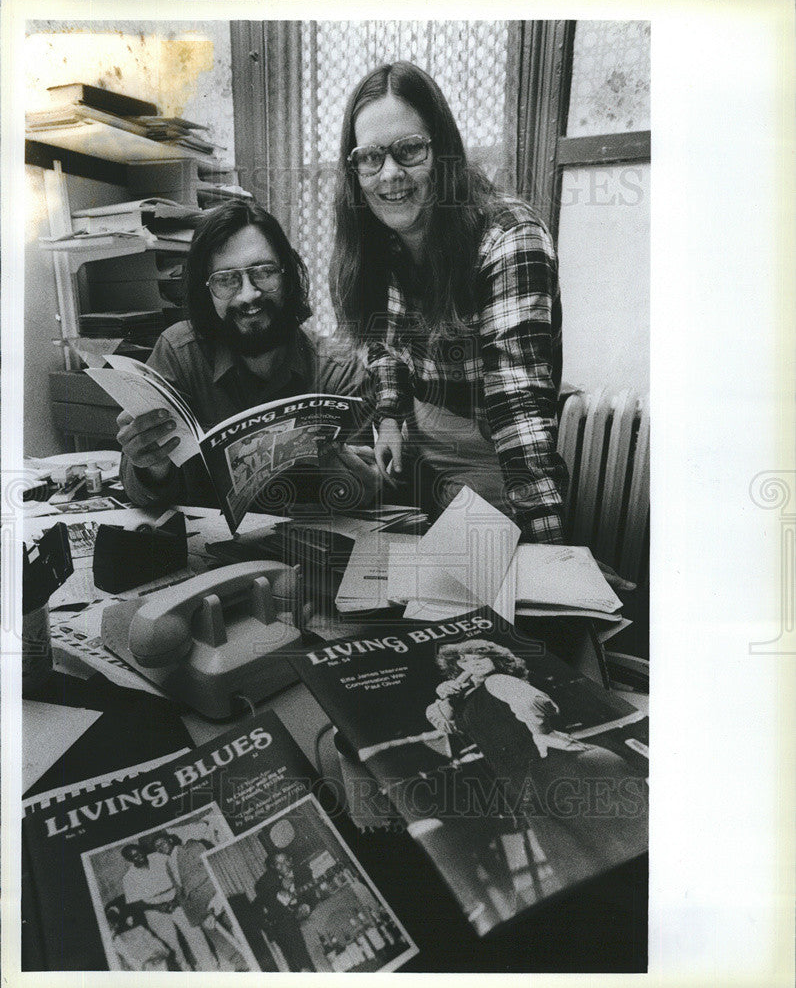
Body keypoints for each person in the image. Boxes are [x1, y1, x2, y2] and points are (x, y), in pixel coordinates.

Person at [329, 61, 569, 542]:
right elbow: (384, 344)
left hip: (489, 460)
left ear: (444, 152)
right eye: (370, 157)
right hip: (414, 459)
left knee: (491, 597)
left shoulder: (509, 238)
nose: (389, 174)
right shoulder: (381, 237)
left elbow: (519, 414)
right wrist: (392, 416)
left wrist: (551, 552)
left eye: (409, 150)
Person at [118, 198, 378, 513]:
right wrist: (151, 465)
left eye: (264, 272)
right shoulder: (178, 354)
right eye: (226, 279)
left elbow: (364, 497)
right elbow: (143, 495)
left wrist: (363, 489)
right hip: (208, 556)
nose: (248, 295)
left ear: (287, 275)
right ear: (207, 292)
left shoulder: (340, 371)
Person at [425, 639, 649, 877]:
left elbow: (535, 703)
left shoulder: (498, 681)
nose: (474, 662)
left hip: (558, 771)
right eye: (466, 660)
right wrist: (446, 697)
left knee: (603, 854)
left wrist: (541, 733)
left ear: (495, 660)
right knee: (596, 856)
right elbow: (443, 723)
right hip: (536, 781)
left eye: (481, 657)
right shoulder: (466, 700)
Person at [119, 842, 217, 971]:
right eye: (134, 856)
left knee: (195, 934)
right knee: (172, 944)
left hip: (177, 901)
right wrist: (159, 907)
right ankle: (186, 971)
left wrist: (178, 898)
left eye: (139, 852)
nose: (139, 857)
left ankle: (211, 968)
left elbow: (179, 877)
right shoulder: (128, 878)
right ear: (129, 860)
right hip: (154, 910)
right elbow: (135, 903)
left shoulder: (159, 858)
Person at [253, 851, 315, 971]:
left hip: (302, 918)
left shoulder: (304, 872)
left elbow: (312, 896)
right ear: (273, 866)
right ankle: (304, 970)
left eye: (286, 861)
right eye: (278, 864)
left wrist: (307, 906)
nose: (284, 866)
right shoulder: (265, 882)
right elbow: (265, 901)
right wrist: (282, 889)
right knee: (290, 934)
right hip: (282, 924)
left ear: (290, 860)